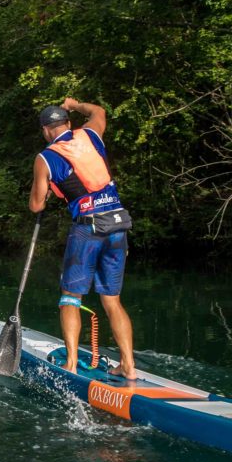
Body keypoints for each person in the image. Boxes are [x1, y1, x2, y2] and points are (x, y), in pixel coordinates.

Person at [28, 98, 137, 379]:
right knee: (111, 299)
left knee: (70, 298)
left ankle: (72, 364)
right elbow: (100, 111)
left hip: (87, 229)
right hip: (118, 223)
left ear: (45, 130)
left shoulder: (46, 158)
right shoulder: (90, 133)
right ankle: (128, 366)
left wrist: (50, 188)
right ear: (68, 123)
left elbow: (36, 205)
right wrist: (76, 104)